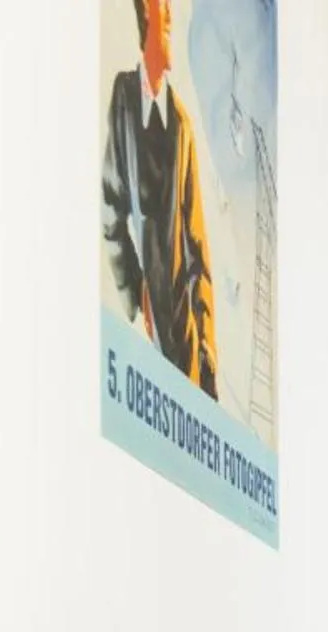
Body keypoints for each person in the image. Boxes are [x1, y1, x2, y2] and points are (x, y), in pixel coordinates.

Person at [102, 0, 220, 396]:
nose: (169, 17)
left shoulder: (181, 124)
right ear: (145, 22)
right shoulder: (123, 97)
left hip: (183, 348)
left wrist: (206, 360)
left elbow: (197, 252)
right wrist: (136, 296)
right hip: (141, 346)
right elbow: (109, 213)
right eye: (163, 15)